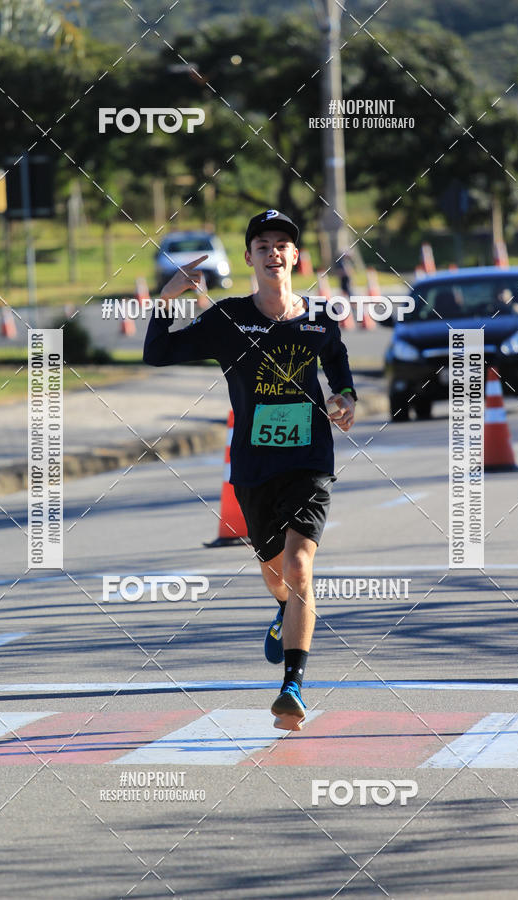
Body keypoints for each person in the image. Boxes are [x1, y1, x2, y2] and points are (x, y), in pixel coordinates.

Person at [143, 209, 357, 730]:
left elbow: (339, 364)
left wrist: (346, 397)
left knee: (300, 564)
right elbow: (157, 353)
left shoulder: (317, 318)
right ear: (248, 257)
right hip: (254, 465)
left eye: (282, 244)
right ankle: (284, 609)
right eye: (263, 245)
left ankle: (293, 684)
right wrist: (165, 299)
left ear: (295, 256)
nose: (273, 253)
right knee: (275, 570)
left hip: (309, 460)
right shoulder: (228, 320)